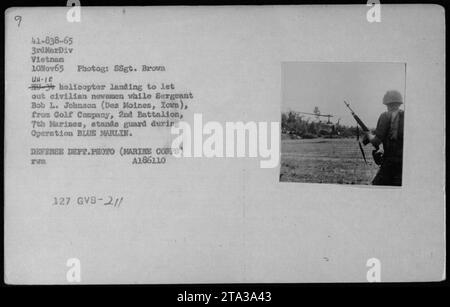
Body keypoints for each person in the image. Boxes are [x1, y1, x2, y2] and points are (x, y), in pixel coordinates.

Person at [363, 90, 404, 186]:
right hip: (404, 164)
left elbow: (376, 141)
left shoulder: (385, 116)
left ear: (386, 102)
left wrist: (368, 134)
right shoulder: (406, 115)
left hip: (390, 163)